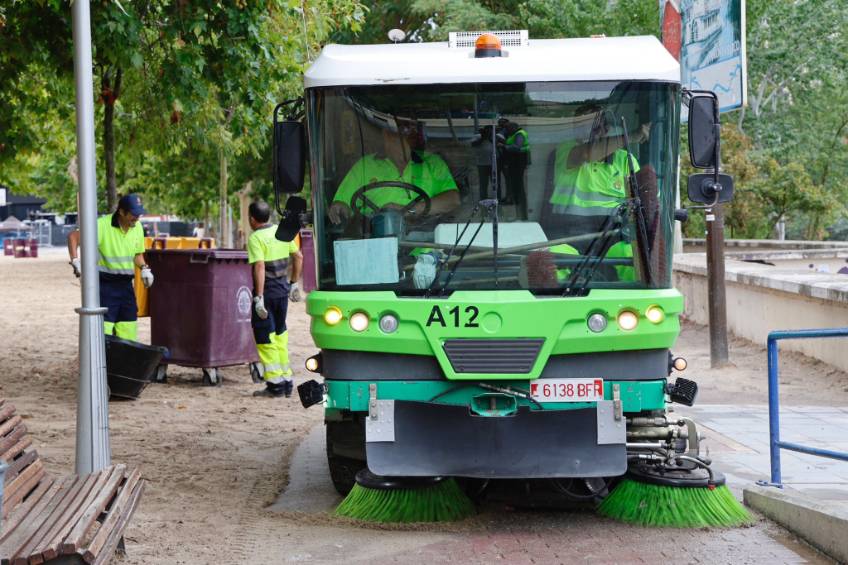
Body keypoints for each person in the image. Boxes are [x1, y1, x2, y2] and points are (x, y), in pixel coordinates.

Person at [328, 118, 460, 226]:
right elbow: (343, 205)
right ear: (385, 135)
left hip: (426, 244)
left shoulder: (432, 162)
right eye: (398, 132)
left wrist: (408, 210)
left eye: (407, 133)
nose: (403, 139)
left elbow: (453, 199)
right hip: (375, 241)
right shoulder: (365, 166)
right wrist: (339, 207)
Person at [67, 194, 153, 341]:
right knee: (103, 334)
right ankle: (105, 356)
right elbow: (73, 237)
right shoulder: (101, 225)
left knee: (129, 329)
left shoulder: (137, 227)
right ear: (121, 211)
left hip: (126, 287)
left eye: (139, 214)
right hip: (105, 287)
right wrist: (75, 260)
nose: (137, 218)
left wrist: (144, 268)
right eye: (133, 214)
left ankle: (125, 356)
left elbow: (137, 254)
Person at [248, 200, 303, 398]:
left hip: (267, 293)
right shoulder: (282, 232)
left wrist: (259, 297)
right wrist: (293, 283)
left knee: (265, 337)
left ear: (252, 219)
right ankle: (286, 381)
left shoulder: (256, 238)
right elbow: (298, 256)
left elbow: (259, 266)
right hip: (282, 292)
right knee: (280, 334)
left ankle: (275, 385)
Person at [497, 119, 530, 219]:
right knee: (516, 186)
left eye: (508, 128)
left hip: (518, 162)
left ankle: (521, 213)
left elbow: (517, 147)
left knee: (518, 187)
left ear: (513, 128)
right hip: (515, 162)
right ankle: (519, 212)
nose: (507, 130)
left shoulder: (519, 134)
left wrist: (504, 146)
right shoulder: (515, 134)